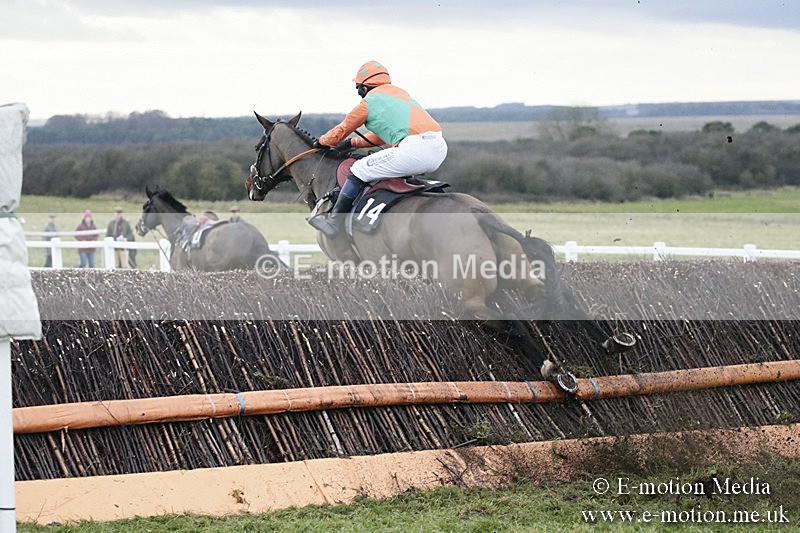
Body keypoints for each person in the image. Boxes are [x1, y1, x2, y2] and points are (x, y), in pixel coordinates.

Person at [308, 60, 448, 238]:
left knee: (357, 169)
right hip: (438, 147)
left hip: (414, 150)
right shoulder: (400, 94)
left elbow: (341, 130)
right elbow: (387, 134)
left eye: (358, 88)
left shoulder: (368, 103)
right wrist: (352, 143)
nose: (359, 93)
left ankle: (334, 223)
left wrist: (322, 142)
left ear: (364, 87)